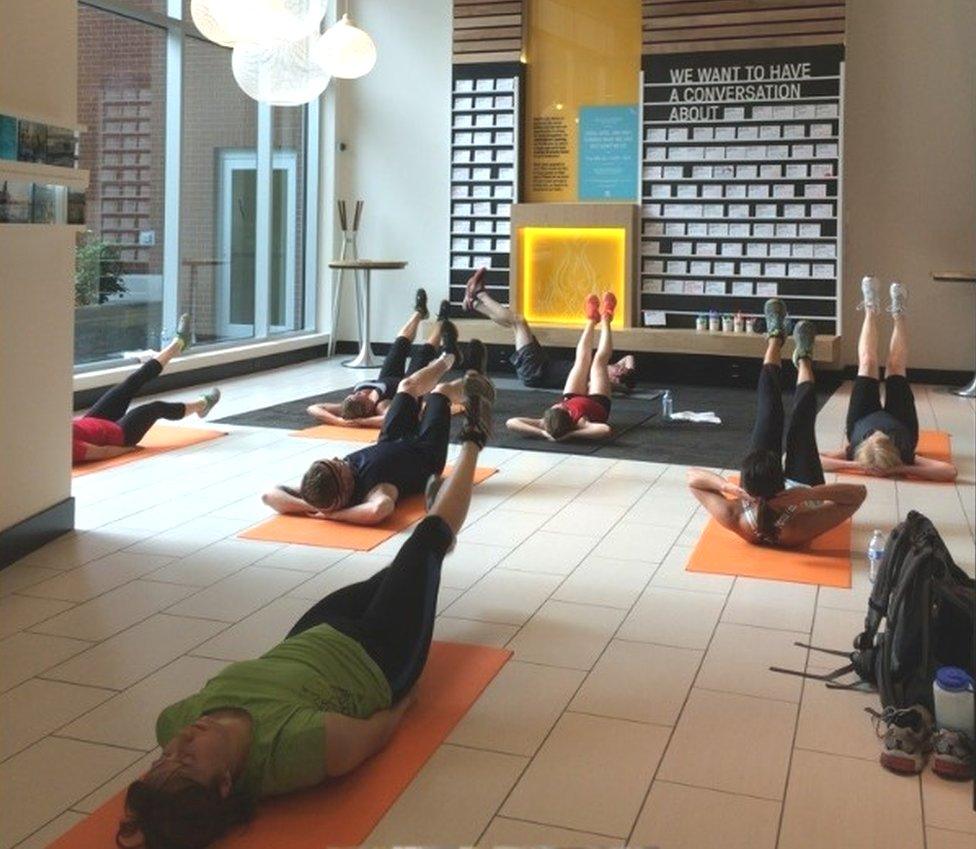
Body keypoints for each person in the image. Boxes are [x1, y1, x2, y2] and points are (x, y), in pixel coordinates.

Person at [116, 379, 496, 849]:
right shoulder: (295, 751)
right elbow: (372, 735)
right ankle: (476, 438)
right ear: (225, 785)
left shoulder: (170, 723)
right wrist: (404, 704)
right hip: (379, 658)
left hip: (314, 633)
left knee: (408, 562)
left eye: (162, 760)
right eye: (188, 761)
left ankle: (441, 510)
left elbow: (157, 793)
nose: (179, 745)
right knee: (426, 542)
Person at [687, 300, 867, 548]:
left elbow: (691, 478)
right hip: (804, 487)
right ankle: (804, 358)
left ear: (747, 490)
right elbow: (858, 496)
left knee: (768, 413)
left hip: (764, 484)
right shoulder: (799, 527)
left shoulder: (735, 514)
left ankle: (775, 337)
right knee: (801, 424)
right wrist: (809, 494)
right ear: (781, 483)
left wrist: (726, 486)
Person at [262, 345, 492, 525]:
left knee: (408, 385)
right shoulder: (372, 491)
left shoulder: (317, 491)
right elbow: (378, 510)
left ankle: (447, 359)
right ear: (344, 487)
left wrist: (317, 508)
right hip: (426, 453)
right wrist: (335, 516)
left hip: (391, 437)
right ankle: (472, 387)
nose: (338, 460)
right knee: (439, 394)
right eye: (339, 467)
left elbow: (268, 496)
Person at [819, 278, 957, 482]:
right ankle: (899, 313)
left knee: (867, 362)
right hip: (902, 421)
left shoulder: (855, 448)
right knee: (894, 367)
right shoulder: (904, 453)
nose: (876, 434)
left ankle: (870, 307)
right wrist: (901, 467)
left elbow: (817, 460)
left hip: (861, 418)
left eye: (873, 437)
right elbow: (949, 471)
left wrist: (854, 465)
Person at [72, 314, 220, 464]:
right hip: (122, 435)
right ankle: (203, 405)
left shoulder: (53, 433)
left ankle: (179, 344)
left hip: (94, 422)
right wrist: (127, 450)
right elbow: (102, 452)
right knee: (154, 408)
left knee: (131, 382)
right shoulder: (69, 450)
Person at [462, 266, 636, 393]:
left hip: (535, 372)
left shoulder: (596, 379)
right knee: (514, 326)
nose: (618, 367)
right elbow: (629, 358)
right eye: (619, 368)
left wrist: (616, 379)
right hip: (542, 362)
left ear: (613, 379)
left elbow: (597, 388)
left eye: (618, 371)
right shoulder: (608, 368)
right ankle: (474, 304)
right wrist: (628, 371)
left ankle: (480, 293)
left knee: (519, 322)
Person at [307, 289, 460, 428]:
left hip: (386, 377)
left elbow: (313, 408)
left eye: (354, 394)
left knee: (399, 344)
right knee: (423, 353)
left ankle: (420, 312)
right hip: (409, 385)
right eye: (358, 396)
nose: (357, 393)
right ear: (367, 408)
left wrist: (339, 421)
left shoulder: (349, 405)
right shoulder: (381, 405)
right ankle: (442, 322)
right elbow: (389, 418)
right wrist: (361, 422)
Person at [505, 292, 618, 442]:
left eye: (555, 406)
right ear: (570, 418)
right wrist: (571, 434)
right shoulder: (581, 423)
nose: (558, 404)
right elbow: (605, 429)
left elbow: (511, 422)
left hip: (572, 396)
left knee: (581, 360)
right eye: (560, 407)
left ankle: (591, 320)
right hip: (597, 403)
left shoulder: (545, 423)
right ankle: (606, 318)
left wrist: (543, 433)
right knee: (598, 362)